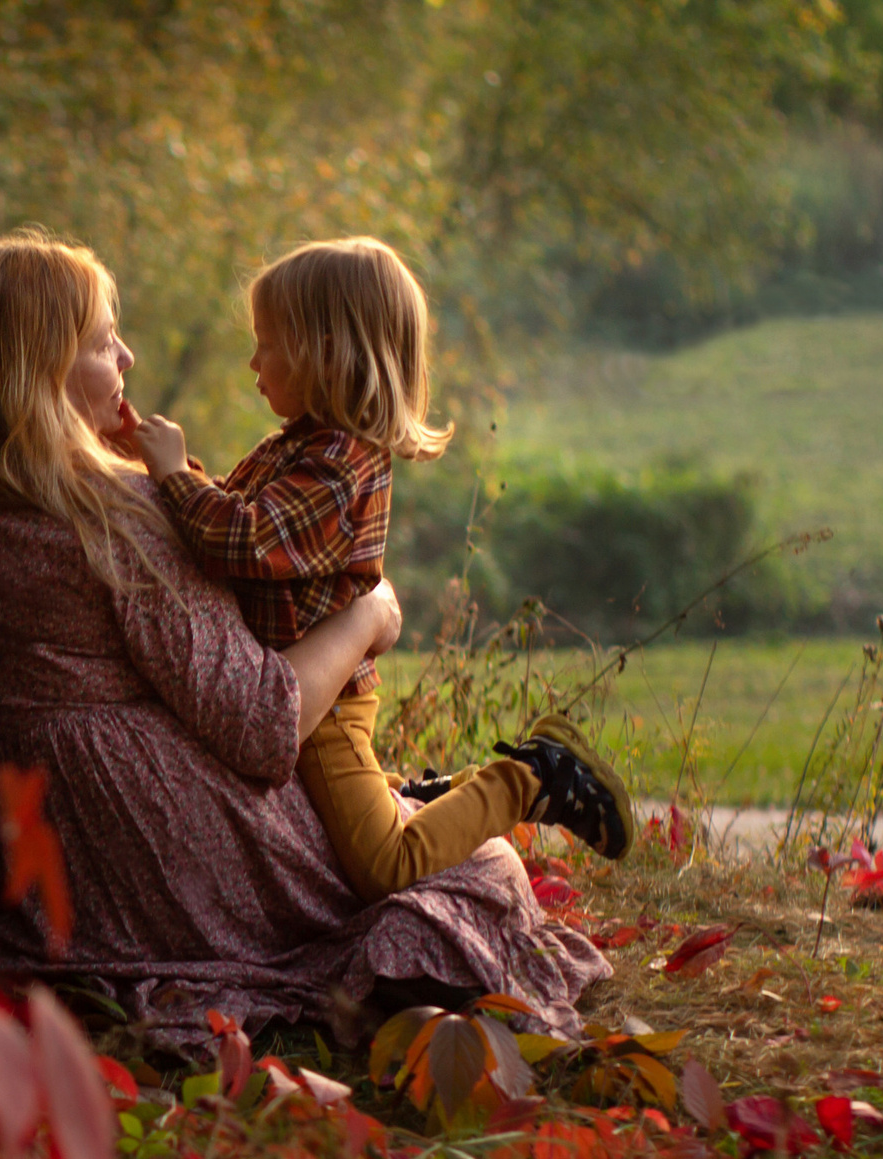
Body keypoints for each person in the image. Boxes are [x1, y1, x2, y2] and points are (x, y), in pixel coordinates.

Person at [0, 230, 610, 1047]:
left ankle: (428, 794)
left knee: (407, 835)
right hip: (160, 856)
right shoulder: (116, 526)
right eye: (102, 341)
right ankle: (507, 784)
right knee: (474, 874)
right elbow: (262, 723)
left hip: (36, 854)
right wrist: (369, 617)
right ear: (41, 369)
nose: (128, 356)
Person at [128, 236, 633, 903]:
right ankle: (428, 796)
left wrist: (171, 473)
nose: (253, 361)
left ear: (324, 351)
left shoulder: (340, 465)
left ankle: (532, 779)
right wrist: (159, 471)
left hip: (326, 702)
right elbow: (229, 517)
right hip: (291, 679)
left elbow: (242, 540)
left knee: (383, 864)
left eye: (267, 343)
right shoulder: (297, 446)